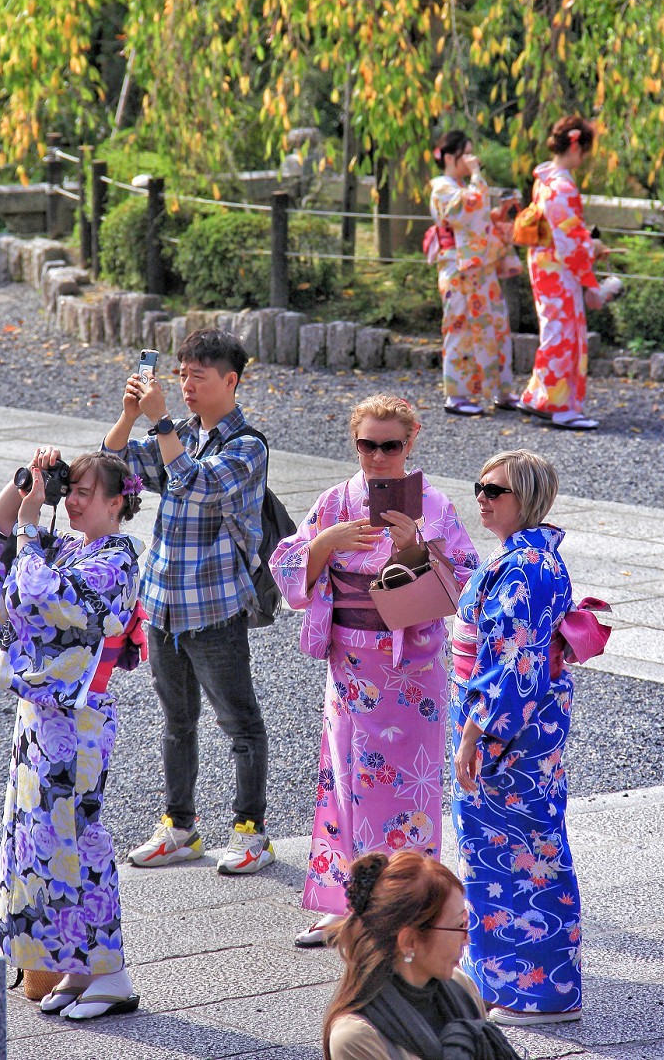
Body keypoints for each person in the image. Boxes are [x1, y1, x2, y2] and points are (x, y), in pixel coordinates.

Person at [269, 395, 478, 946]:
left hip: (410, 669)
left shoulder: (434, 506)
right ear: (355, 443)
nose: (379, 457)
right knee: (345, 783)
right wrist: (323, 543)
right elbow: (288, 569)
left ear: (411, 443)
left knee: (410, 792)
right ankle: (349, 906)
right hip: (353, 665)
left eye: (391, 445)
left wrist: (418, 549)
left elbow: (465, 579)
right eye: (368, 445)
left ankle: (406, 909)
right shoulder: (336, 501)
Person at [0, 447, 147, 1019]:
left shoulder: (119, 558)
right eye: (67, 490)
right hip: (44, 715)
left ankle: (112, 971)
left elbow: (41, 594)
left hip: (79, 717)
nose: (70, 501)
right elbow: (2, 533)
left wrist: (31, 528)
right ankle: (78, 966)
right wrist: (26, 482)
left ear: (117, 501)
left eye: (82, 492)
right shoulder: (72, 548)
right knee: (43, 843)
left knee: (79, 839)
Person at [103, 327, 275, 875]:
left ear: (231, 380)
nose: (185, 385)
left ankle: (251, 831)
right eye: (180, 374)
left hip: (215, 609)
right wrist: (131, 416)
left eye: (197, 376)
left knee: (239, 722)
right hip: (164, 606)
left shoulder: (248, 445)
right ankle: (179, 827)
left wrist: (160, 422)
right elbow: (114, 468)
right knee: (177, 721)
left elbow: (194, 483)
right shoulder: (185, 433)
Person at [450, 449, 582, 1027]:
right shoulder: (529, 559)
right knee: (519, 851)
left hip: (511, 731)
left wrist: (476, 734)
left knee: (518, 855)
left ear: (526, 498)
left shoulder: (525, 568)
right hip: (530, 725)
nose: (482, 497)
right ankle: (510, 983)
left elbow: (513, 664)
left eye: (495, 490)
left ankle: (540, 992)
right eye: (479, 486)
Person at [323, 850, 524, 1060]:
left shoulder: (461, 985)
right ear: (409, 941)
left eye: (466, 923)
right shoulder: (357, 1038)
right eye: (458, 926)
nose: (467, 939)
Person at [518, 114, 611, 430]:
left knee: (555, 332)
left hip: (545, 263)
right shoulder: (562, 186)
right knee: (564, 334)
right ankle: (559, 406)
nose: (584, 159)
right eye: (585, 151)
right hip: (559, 267)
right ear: (576, 147)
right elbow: (569, 240)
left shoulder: (544, 180)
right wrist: (592, 253)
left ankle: (537, 396)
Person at [425, 129, 520, 418]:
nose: (473, 159)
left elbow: (477, 218)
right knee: (461, 327)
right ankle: (457, 394)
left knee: (495, 325)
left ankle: (500, 391)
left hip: (477, 267)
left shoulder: (461, 185)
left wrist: (498, 216)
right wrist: (478, 177)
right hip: (457, 266)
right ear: (452, 157)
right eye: (467, 153)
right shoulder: (442, 186)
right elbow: (466, 211)